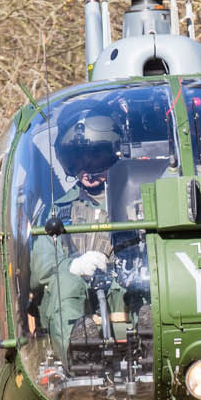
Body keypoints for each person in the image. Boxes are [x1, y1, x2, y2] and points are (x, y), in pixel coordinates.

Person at [28, 110, 121, 362]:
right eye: (79, 160)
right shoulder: (57, 210)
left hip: (120, 292)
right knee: (65, 282)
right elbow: (41, 269)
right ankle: (79, 353)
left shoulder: (134, 202)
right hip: (74, 300)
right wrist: (74, 266)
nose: (87, 168)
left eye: (97, 156)